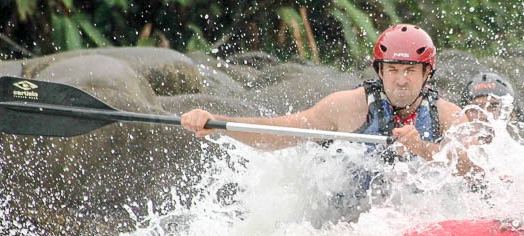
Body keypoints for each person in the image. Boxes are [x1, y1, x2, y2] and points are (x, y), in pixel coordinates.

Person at [180, 24, 472, 174]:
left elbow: (475, 170)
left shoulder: (447, 116)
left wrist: (422, 148)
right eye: (393, 69)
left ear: (426, 74)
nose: (401, 79)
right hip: (350, 224)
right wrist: (217, 124)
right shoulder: (347, 106)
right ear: (380, 71)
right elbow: (280, 133)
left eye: (410, 70)